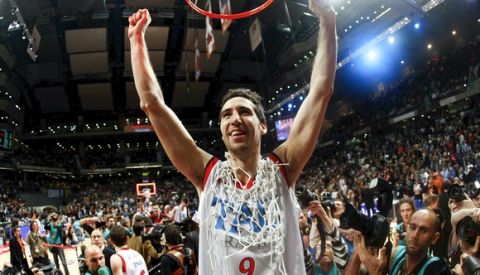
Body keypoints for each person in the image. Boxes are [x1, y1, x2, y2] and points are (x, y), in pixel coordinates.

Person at [127, 0, 337, 272]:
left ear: (262, 126)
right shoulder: (207, 173)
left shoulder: (283, 168)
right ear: (222, 130)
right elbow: (151, 105)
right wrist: (137, 42)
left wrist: (328, 22)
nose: (235, 119)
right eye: (227, 115)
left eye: (244, 112)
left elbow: (321, 92)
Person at [345, 209, 452, 275]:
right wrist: (358, 248)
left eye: (424, 231)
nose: (415, 235)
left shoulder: (437, 268)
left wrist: (375, 272)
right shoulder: (397, 255)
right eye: (412, 227)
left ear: (435, 238)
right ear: (406, 228)